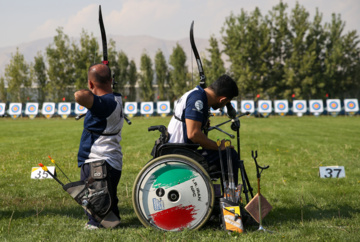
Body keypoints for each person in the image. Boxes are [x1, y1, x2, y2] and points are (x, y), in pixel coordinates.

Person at [74, 63, 124, 230]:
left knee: (97, 198)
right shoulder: (115, 98)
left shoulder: (104, 104)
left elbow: (79, 95)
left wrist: (91, 90)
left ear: (90, 83)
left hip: (98, 161)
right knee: (108, 196)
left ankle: (96, 224)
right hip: (111, 160)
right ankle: (113, 219)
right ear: (111, 80)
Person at [167, 74, 239, 185]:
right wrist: (219, 147)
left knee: (225, 153)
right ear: (222, 99)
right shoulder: (197, 99)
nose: (222, 106)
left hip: (179, 151)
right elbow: (193, 134)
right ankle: (230, 199)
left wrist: (202, 124)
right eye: (225, 103)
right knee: (229, 154)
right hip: (181, 156)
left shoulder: (196, 94)